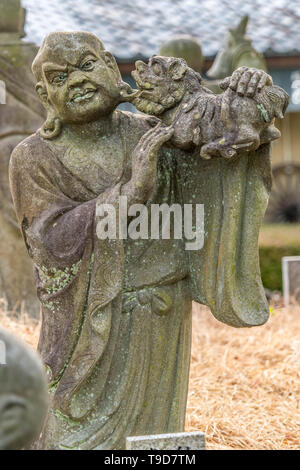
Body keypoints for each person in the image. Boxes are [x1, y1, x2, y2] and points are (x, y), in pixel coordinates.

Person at [9, 31, 271, 450]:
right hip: (87, 332)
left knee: (155, 444)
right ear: (44, 95)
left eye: (87, 65)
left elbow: (220, 165)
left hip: (162, 315)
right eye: (60, 78)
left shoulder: (155, 132)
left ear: (113, 67)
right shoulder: (33, 157)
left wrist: (249, 97)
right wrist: (129, 193)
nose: (77, 80)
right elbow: (49, 244)